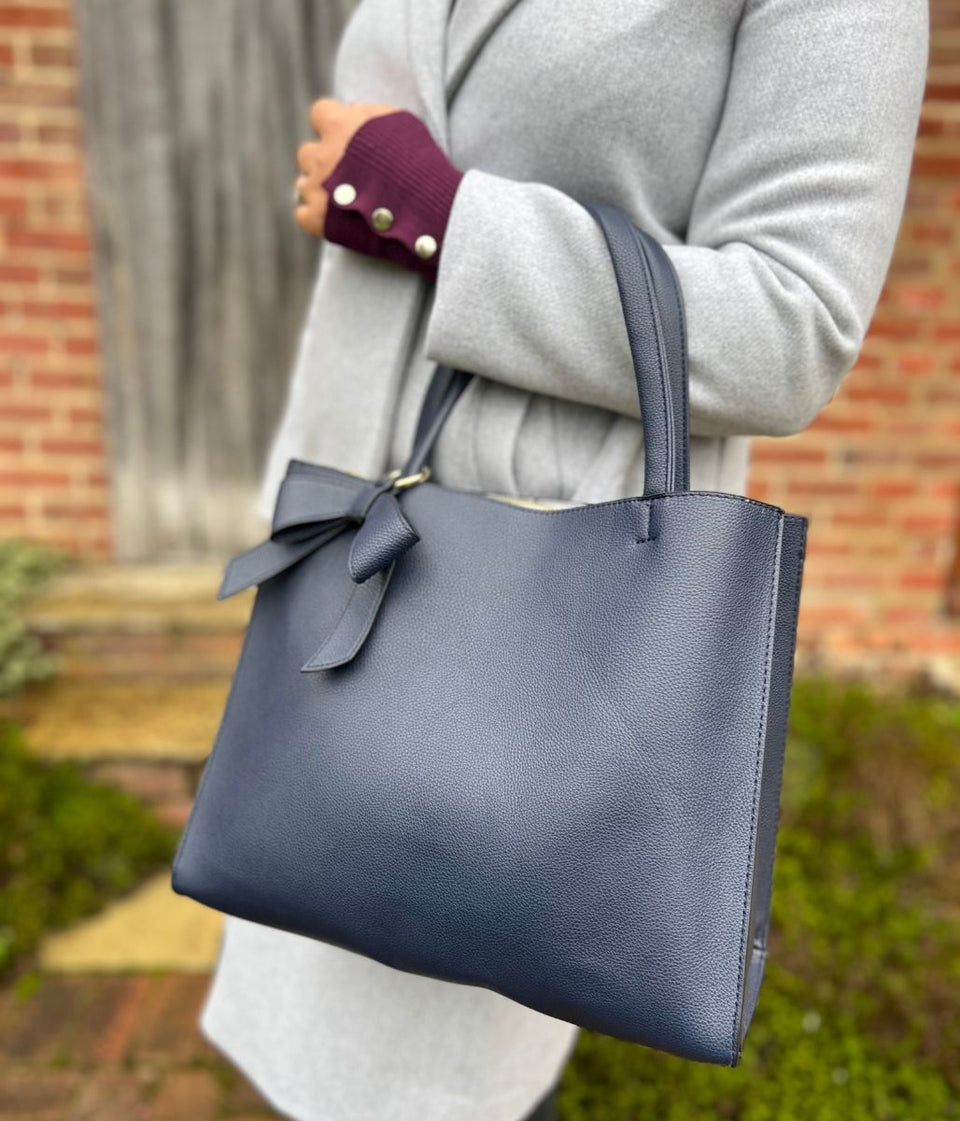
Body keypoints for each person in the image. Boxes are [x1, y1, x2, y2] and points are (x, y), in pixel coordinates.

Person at [197, 1, 928, 1118]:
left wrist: (446, 218)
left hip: (536, 606)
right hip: (354, 537)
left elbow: (795, 320)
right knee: (303, 937)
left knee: (438, 1067)